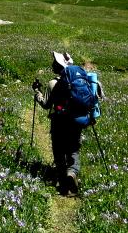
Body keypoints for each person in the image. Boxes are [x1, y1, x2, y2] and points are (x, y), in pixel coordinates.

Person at [33, 51, 98, 194]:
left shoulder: (52, 83)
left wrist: (37, 92)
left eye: (54, 63)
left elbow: (45, 104)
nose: (52, 64)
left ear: (58, 66)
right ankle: (72, 173)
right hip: (76, 121)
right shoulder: (79, 79)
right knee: (73, 149)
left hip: (59, 122)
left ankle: (62, 181)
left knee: (58, 150)